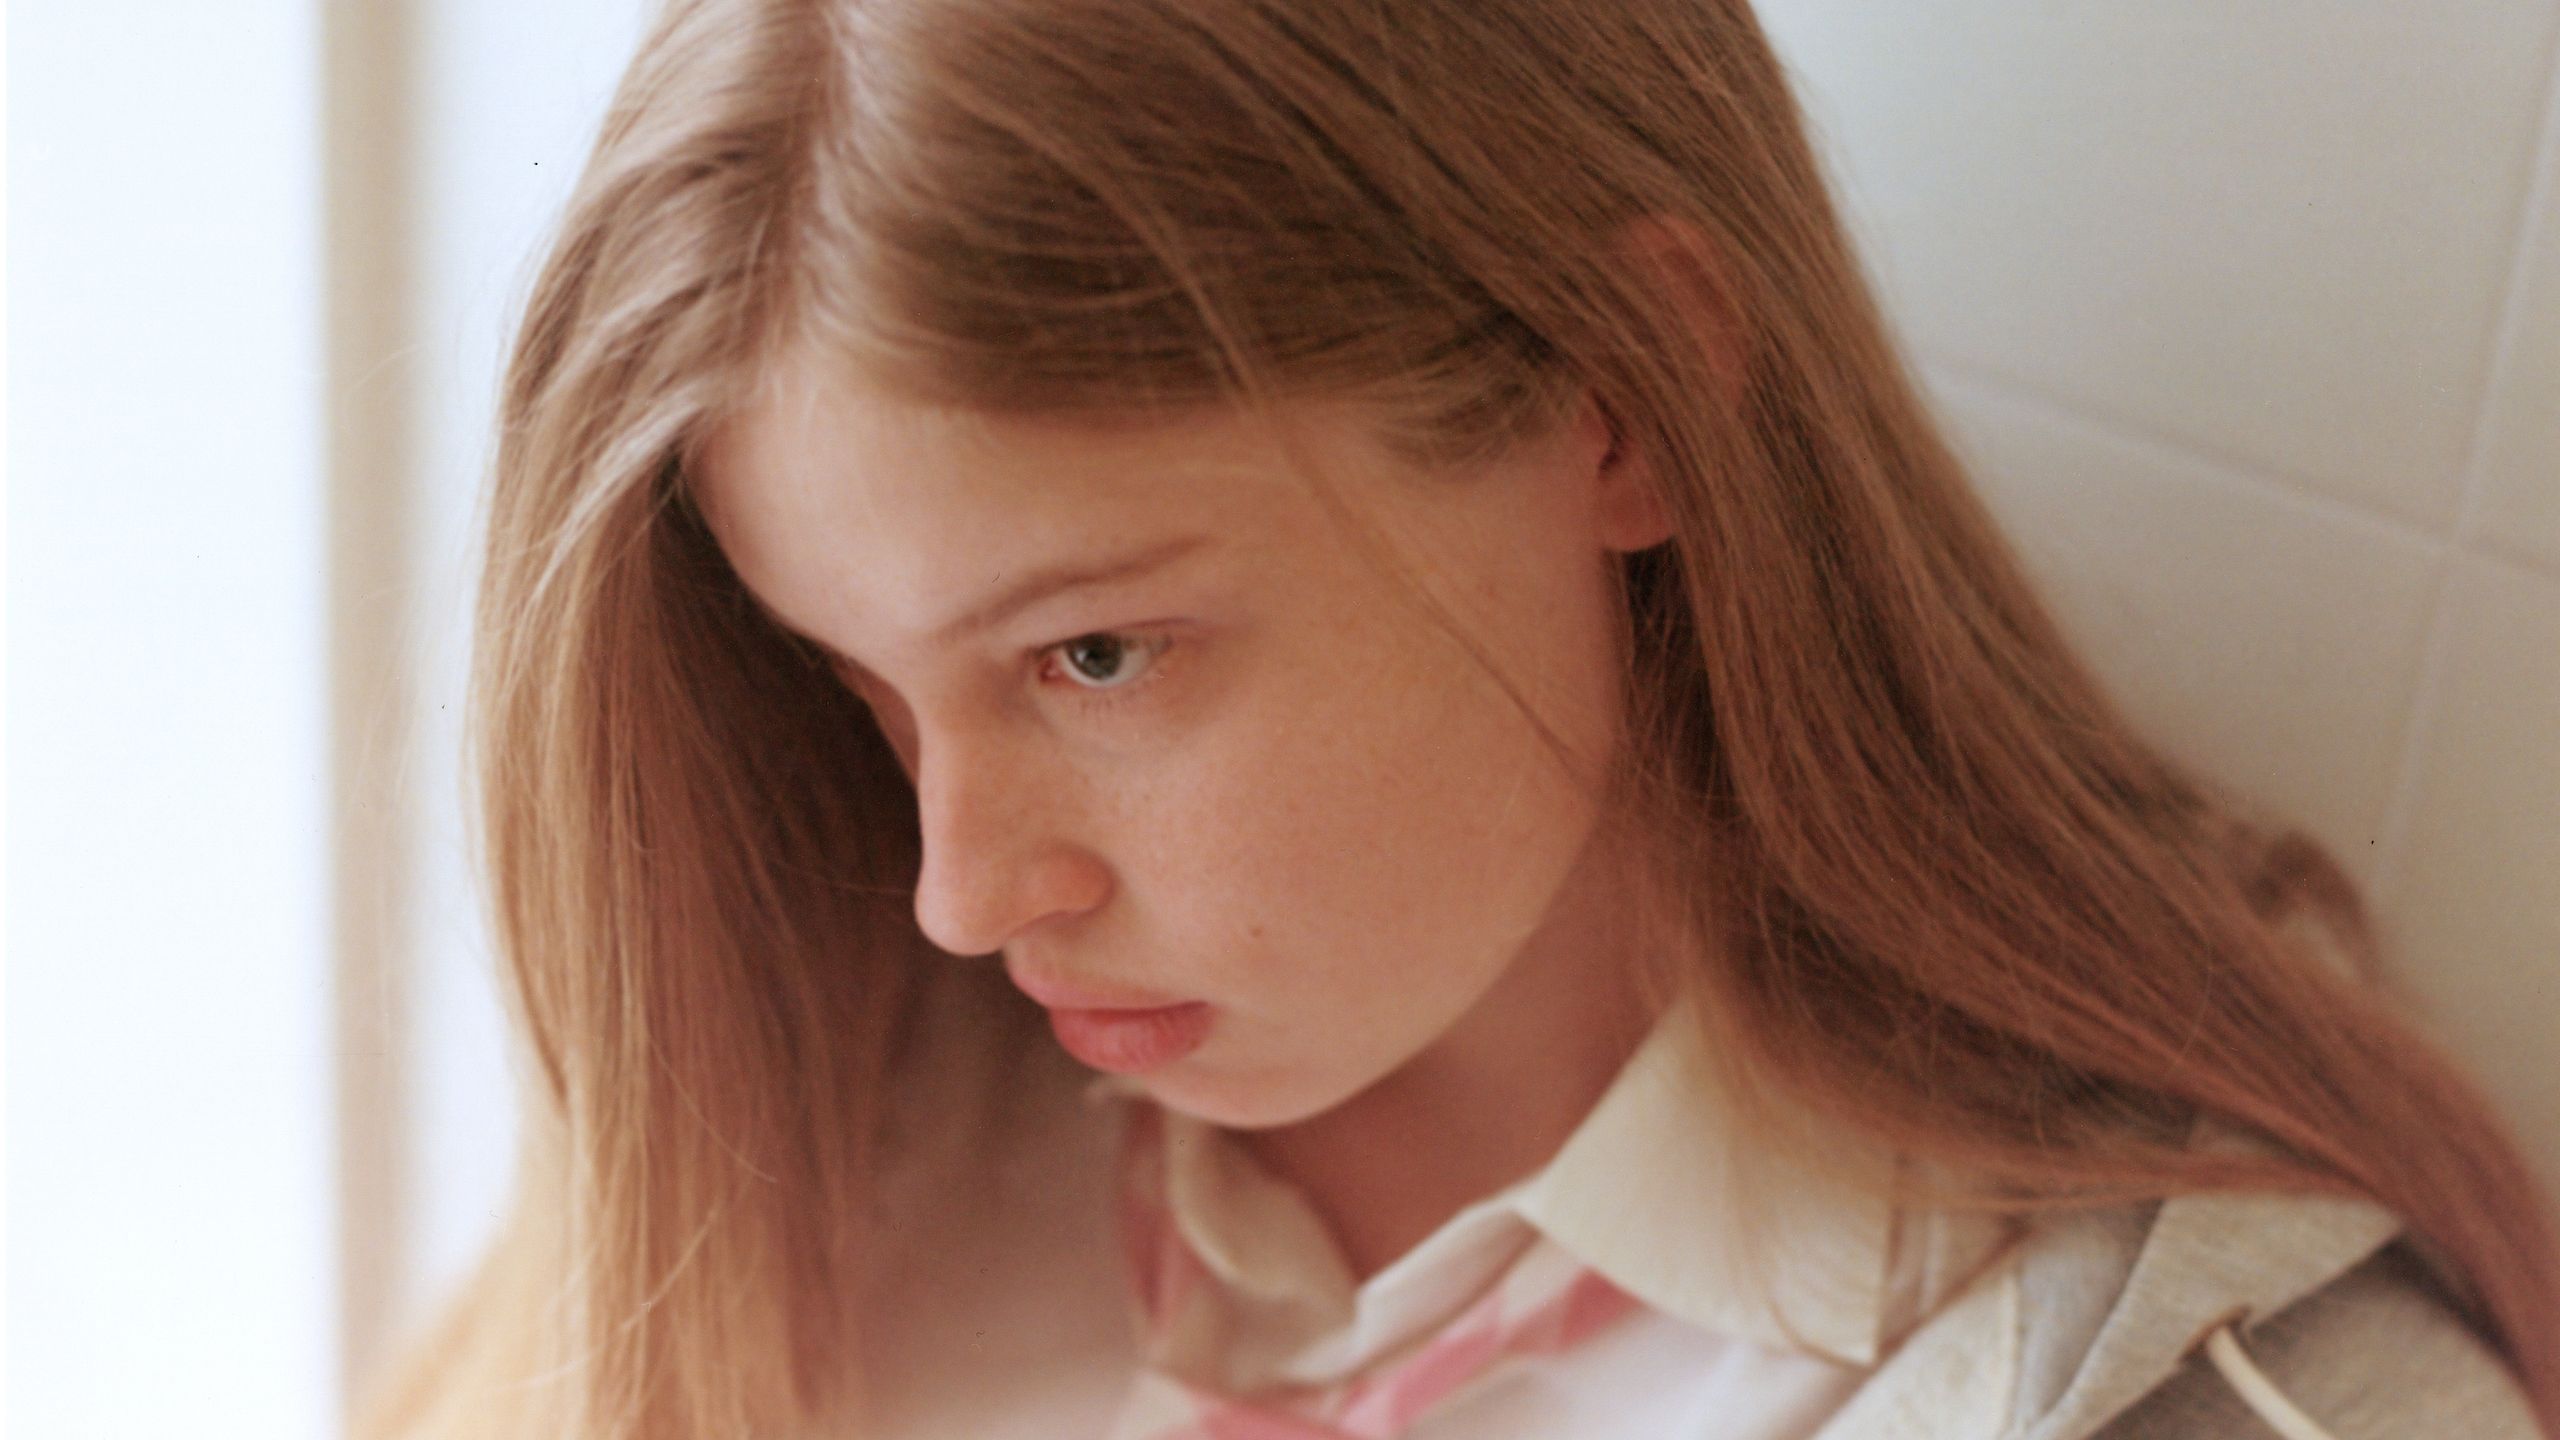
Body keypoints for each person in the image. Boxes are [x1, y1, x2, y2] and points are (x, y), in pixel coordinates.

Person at [352, 1, 2560, 1437]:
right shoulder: (804, 1110)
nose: (958, 889)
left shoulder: (2231, 1399)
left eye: (1091, 657)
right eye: (856, 685)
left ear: (1626, 390)